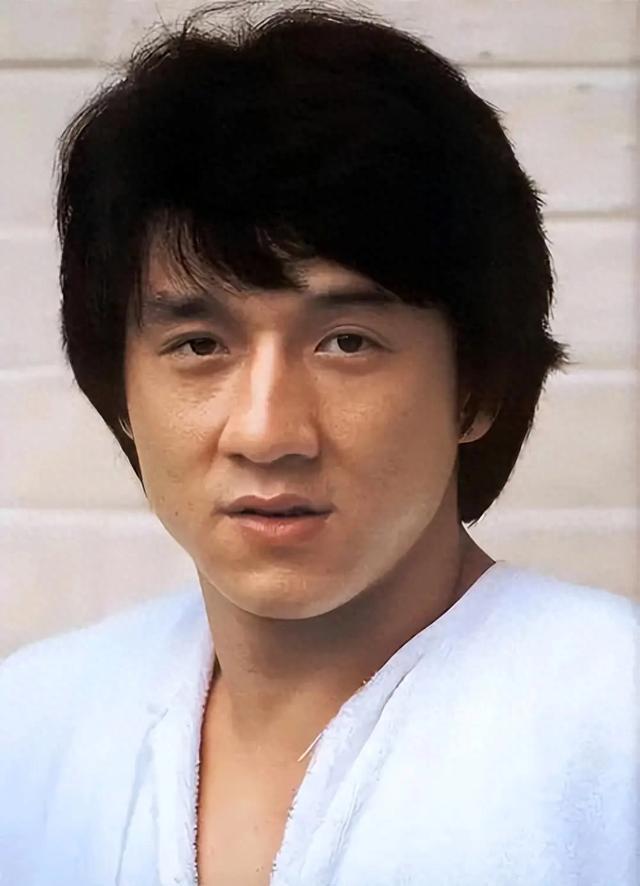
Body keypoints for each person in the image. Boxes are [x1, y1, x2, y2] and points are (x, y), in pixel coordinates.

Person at [1, 3, 637, 884]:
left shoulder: (615, 726)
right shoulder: (30, 729)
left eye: (346, 342)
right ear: (122, 394)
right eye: (199, 345)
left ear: (478, 384)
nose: (267, 433)